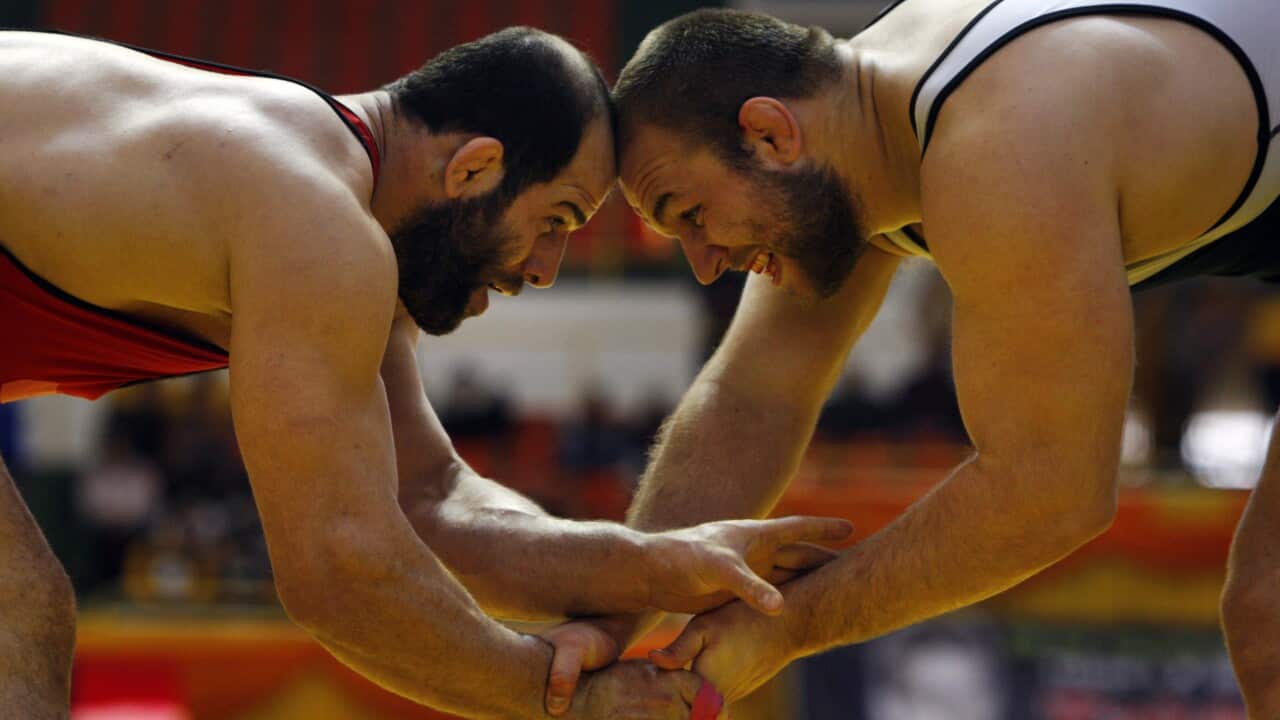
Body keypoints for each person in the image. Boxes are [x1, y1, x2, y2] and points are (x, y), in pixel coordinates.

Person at [0, 27, 855, 719]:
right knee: (18, 615)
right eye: (554, 220)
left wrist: (656, 564)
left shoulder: (326, 209)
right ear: (474, 167)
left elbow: (431, 503)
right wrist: (555, 697)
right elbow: (337, 569)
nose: (548, 268)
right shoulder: (311, 214)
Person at [542, 2, 1280, 717]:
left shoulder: (1002, 141)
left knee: (1270, 610)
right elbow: (751, 397)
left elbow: (1052, 493)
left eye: (693, 216)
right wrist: (613, 620)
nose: (707, 266)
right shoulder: (858, 121)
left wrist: (790, 624)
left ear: (769, 134)